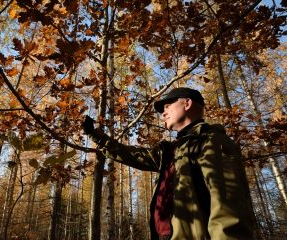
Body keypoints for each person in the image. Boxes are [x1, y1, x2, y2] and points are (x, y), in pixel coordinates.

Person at [82, 87, 256, 239]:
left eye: (167, 106)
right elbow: (132, 155)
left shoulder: (211, 141)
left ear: (187, 104)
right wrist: (95, 134)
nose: (163, 113)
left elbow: (229, 209)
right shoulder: (171, 151)